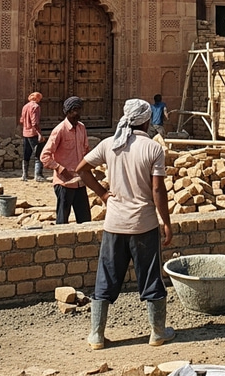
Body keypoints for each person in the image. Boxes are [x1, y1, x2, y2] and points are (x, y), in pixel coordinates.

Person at [75, 98, 175, 350]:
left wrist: (103, 193)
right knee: (151, 277)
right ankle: (157, 333)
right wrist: (167, 222)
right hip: (144, 224)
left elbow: (81, 169)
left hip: (114, 223)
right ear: (145, 120)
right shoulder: (153, 148)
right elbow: (157, 189)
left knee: (106, 276)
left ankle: (96, 335)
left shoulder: (110, 144)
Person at [40, 96, 91, 224]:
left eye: (79, 110)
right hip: (64, 183)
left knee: (85, 220)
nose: (77, 113)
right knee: (62, 221)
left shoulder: (81, 128)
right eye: (75, 110)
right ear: (67, 112)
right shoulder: (59, 130)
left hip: (80, 181)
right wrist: (60, 169)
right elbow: (44, 156)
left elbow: (86, 150)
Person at [19, 91, 45, 182]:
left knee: (26, 154)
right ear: (37, 98)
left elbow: (21, 120)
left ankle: (24, 175)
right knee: (38, 154)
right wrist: (39, 134)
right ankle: (38, 175)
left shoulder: (25, 106)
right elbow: (35, 122)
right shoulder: (35, 107)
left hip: (25, 133)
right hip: (33, 133)